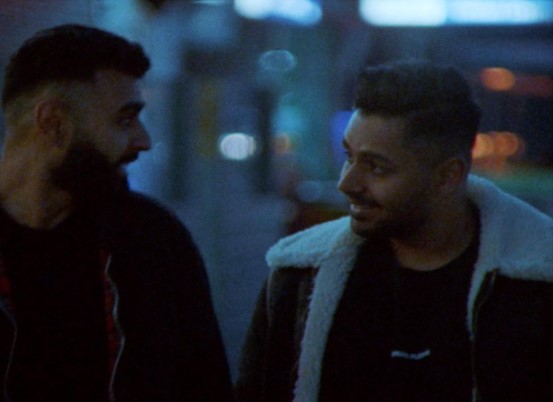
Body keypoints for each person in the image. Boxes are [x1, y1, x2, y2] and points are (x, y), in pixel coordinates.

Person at [235, 60, 553, 402]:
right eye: (349, 157)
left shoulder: (536, 282)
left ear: (448, 175)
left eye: (376, 167)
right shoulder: (298, 276)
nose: (347, 183)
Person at [0, 24, 233, 401]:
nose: (143, 140)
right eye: (124, 120)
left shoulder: (154, 241)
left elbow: (206, 386)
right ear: (54, 124)